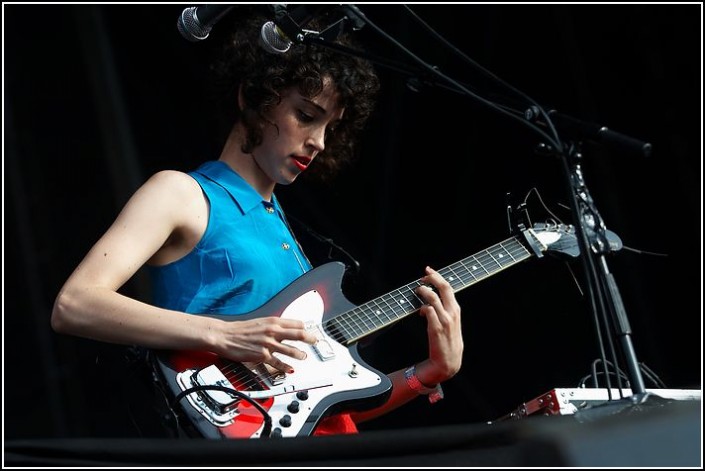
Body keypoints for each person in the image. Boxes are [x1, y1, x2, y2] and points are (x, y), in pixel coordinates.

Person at [51, 7, 464, 438]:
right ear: (253, 97)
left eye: (330, 126)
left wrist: (430, 373)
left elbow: (312, 409)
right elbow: (75, 304)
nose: (319, 142)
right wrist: (222, 334)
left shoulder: (289, 236)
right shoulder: (181, 193)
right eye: (306, 115)